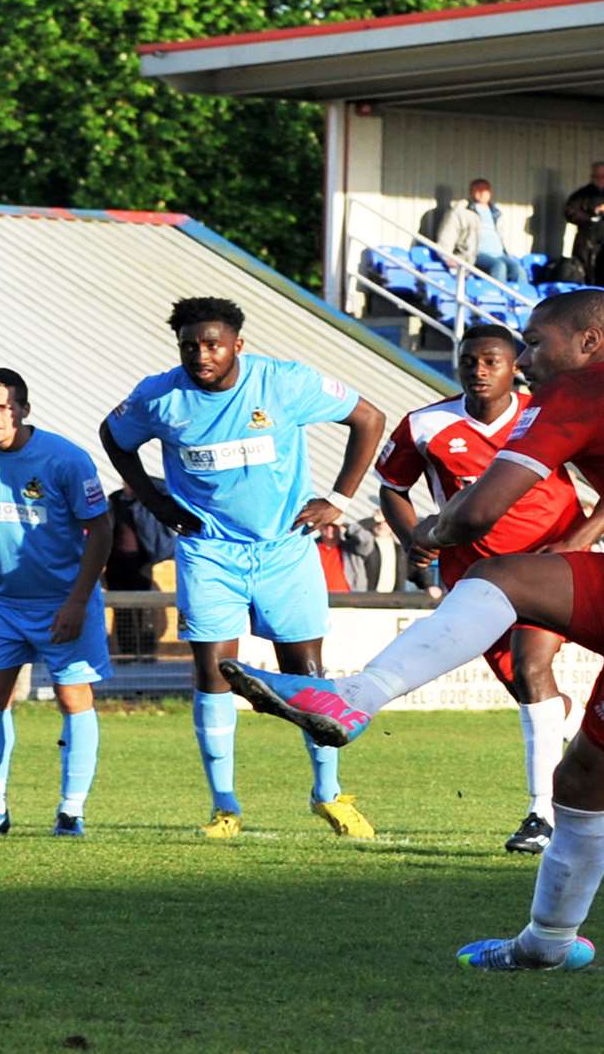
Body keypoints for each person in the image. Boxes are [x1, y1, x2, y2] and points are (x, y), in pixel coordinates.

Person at [223, 288, 604, 972]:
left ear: (588, 343)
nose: (526, 359)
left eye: (536, 342)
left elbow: (474, 516)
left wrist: (430, 535)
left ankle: (546, 946)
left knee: (584, 780)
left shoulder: (584, 392)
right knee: (507, 579)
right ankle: (356, 695)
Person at [99, 296, 387, 840]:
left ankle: (328, 795)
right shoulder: (160, 397)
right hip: (209, 551)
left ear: (238, 344)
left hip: (285, 548)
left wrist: (340, 501)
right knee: (214, 673)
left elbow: (369, 418)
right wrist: (155, 502)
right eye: (189, 346)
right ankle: (225, 807)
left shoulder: (284, 383)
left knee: (306, 673)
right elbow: (113, 437)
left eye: (212, 344)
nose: (200, 356)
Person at [374, 325, 604, 855]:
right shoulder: (425, 424)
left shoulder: (551, 414)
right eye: (469, 360)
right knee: (528, 688)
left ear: (515, 364)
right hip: (476, 579)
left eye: (492, 360)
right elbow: (392, 487)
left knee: (533, 665)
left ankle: (541, 813)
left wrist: (576, 543)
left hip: (548, 568)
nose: (479, 369)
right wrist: (411, 538)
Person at [0, 368, 111, 838]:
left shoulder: (66, 460)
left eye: (3, 407)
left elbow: (100, 528)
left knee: (72, 698)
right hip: (2, 601)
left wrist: (78, 601)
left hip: (63, 600)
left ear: (23, 409)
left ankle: (70, 812)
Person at [104, 480, 176, 660]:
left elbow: (165, 489)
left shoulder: (147, 503)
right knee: (121, 611)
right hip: (116, 564)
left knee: (146, 609)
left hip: (142, 563)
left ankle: (147, 652)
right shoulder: (114, 500)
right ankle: (126, 655)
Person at [465, 179, 524, 284]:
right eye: (477, 189)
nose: (481, 193)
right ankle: (499, 298)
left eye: (484, 190)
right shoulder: (464, 210)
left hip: (499, 254)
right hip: (477, 254)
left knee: (518, 269)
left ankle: (522, 298)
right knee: (499, 266)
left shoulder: (496, 213)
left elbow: (502, 235)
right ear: (471, 192)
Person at [339, 511, 406, 594]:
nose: (381, 525)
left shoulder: (399, 547)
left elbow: (415, 568)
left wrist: (426, 583)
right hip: (368, 598)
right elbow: (353, 530)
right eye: (378, 522)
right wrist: (374, 519)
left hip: (394, 599)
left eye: (385, 522)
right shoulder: (365, 542)